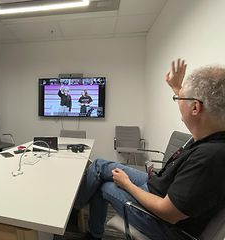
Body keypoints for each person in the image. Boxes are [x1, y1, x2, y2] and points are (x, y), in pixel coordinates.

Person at [74, 59, 225, 240]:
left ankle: (81, 219)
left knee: (104, 185)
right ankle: (78, 210)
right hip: (159, 187)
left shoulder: (209, 157)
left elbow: (168, 213)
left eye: (180, 98)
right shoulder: (212, 133)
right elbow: (196, 114)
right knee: (99, 165)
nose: (178, 100)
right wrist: (178, 90)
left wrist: (127, 184)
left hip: (166, 225)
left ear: (195, 107)